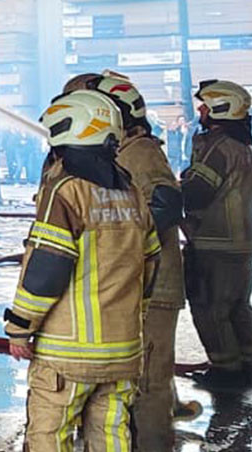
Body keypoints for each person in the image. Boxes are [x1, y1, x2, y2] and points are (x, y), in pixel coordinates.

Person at [4, 89, 160, 452]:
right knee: (112, 435)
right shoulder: (131, 192)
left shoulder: (66, 192)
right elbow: (151, 262)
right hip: (123, 351)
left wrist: (20, 327)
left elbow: (46, 271)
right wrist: (136, 318)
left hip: (67, 354)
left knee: (50, 434)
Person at [79, 71, 186, 448]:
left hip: (155, 286)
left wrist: (127, 230)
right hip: (139, 284)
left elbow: (167, 202)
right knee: (138, 375)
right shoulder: (124, 150)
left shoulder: (140, 151)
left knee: (149, 380)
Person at [180, 79, 252, 389]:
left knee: (211, 309)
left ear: (220, 109)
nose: (200, 110)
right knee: (237, 308)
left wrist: (174, 187)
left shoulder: (218, 147)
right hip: (240, 244)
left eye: (205, 106)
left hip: (214, 243)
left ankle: (226, 371)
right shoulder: (243, 146)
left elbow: (196, 192)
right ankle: (248, 363)